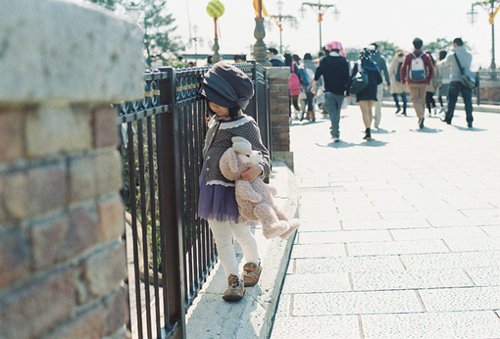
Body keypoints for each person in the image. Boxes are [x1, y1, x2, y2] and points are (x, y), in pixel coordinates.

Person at [198, 61, 270, 302]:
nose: (214, 107)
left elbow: (262, 153)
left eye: (219, 103)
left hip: (233, 192)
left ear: (234, 103)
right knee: (220, 237)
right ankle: (233, 279)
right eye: (212, 102)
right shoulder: (215, 121)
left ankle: (253, 262)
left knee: (241, 233)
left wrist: (258, 168)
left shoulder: (245, 125)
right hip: (211, 188)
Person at [312, 41, 350, 141]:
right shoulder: (343, 61)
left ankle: (335, 133)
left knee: (332, 112)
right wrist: (348, 91)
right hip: (341, 91)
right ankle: (335, 129)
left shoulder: (325, 60)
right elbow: (347, 78)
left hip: (328, 91)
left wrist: (313, 85)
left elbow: (318, 73)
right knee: (337, 112)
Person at [400, 37, 434, 129]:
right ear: (421, 45)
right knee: (422, 99)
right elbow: (431, 69)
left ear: (413, 45)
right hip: (423, 81)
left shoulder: (409, 56)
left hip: (412, 81)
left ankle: (420, 116)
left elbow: (403, 68)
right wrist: (428, 79)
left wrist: (403, 79)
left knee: (415, 99)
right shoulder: (425, 56)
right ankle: (421, 116)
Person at [350, 47, 382, 140]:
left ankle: (367, 130)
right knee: (369, 110)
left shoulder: (358, 64)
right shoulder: (374, 65)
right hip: (372, 89)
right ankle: (369, 129)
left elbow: (352, 77)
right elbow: (379, 80)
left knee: (364, 111)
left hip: (361, 88)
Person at [441, 38, 474, 128]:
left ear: (455, 44)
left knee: (451, 101)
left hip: (455, 80)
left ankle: (449, 118)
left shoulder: (452, 54)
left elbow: (444, 64)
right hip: (466, 81)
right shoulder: (469, 55)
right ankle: (469, 120)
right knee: (468, 101)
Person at [370, 43, 391, 129]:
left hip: (368, 84)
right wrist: (388, 84)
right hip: (378, 83)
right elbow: (385, 72)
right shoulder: (381, 58)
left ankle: (369, 121)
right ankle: (377, 123)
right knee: (378, 104)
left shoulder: (367, 58)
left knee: (369, 104)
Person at [294, 54, 315, 122]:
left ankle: (305, 115)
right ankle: (312, 115)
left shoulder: (301, 66)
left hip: (304, 86)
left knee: (303, 101)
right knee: (311, 101)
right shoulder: (314, 65)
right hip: (312, 85)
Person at [389, 49, 408, 116]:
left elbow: (390, 71)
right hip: (403, 80)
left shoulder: (394, 60)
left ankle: (398, 106)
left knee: (394, 94)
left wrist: (388, 80)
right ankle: (404, 110)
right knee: (403, 95)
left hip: (395, 80)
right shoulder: (405, 60)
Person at [285, 53, 301, 120]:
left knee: (288, 102)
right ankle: (299, 113)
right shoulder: (294, 64)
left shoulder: (283, 64)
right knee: (295, 101)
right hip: (295, 85)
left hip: (287, 85)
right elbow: (298, 74)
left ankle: (289, 117)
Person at [436, 50, 451, 114]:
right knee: (448, 95)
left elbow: (439, 73)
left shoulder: (439, 64)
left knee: (439, 95)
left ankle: (442, 106)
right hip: (450, 80)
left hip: (442, 80)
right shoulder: (450, 62)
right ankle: (447, 107)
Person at [425, 52, 439, 116]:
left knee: (427, 98)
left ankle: (430, 111)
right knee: (430, 97)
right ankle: (434, 107)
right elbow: (435, 76)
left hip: (426, 83)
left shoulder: (425, 64)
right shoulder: (434, 65)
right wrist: (435, 84)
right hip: (432, 83)